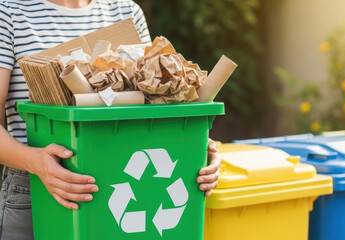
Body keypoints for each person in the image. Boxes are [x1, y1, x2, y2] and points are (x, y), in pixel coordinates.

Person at [0, 0, 222, 239]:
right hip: (39, 187)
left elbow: (154, 110)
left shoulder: (126, 11)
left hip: (127, 171)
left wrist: (198, 147)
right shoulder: (9, 13)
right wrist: (36, 162)